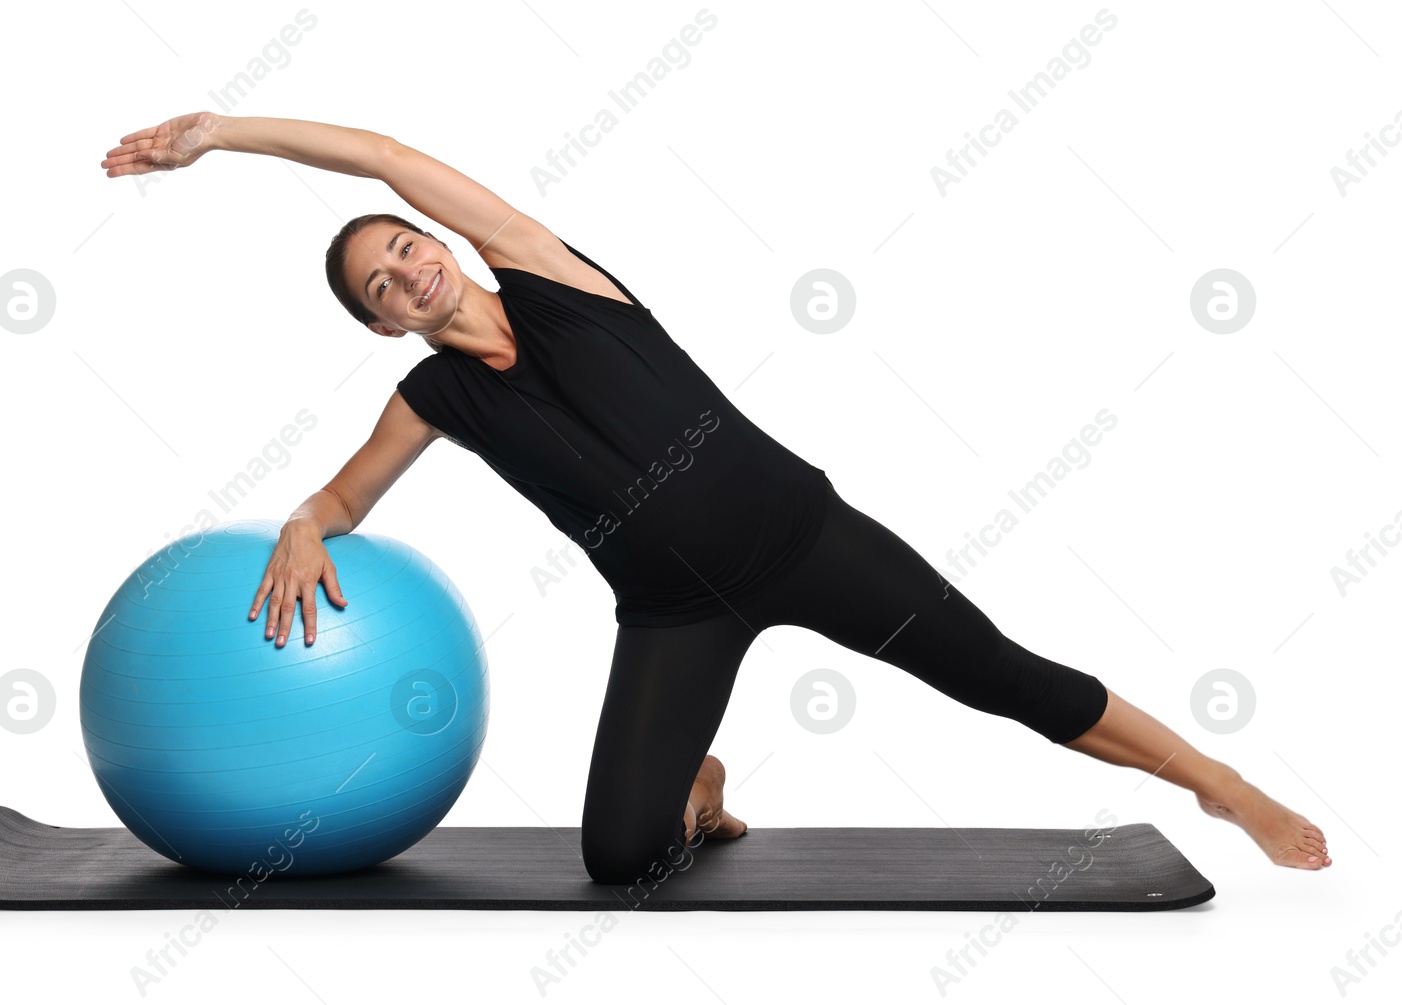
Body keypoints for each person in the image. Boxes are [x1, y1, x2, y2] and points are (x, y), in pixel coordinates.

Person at [102, 112, 1332, 884]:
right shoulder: (438, 399)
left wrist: (219, 133)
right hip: (672, 613)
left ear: (444, 245)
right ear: (379, 322)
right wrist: (306, 527)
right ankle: (702, 784)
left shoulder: (548, 273)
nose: (409, 269)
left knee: (1004, 679)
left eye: (407, 246)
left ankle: (1220, 785)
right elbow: (339, 497)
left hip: (806, 541)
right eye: (382, 282)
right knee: (619, 860)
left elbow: (380, 158)